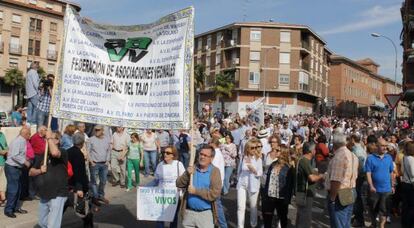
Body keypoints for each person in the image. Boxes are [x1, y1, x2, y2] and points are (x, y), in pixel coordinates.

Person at [176, 145, 222, 228]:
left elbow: (214, 194)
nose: (202, 157)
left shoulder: (215, 172)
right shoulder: (192, 167)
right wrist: (187, 174)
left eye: (205, 155)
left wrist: (196, 191)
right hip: (188, 213)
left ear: (211, 158)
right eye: (201, 154)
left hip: (205, 215)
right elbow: (179, 184)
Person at [29, 130, 68, 228]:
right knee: (42, 223)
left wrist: (49, 137)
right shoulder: (44, 154)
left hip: (58, 193)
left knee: (52, 225)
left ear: (57, 141)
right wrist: (40, 171)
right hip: (44, 194)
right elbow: (31, 172)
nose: (47, 140)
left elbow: (55, 152)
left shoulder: (62, 151)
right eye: (46, 139)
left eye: (50, 138)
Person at [326, 133, 358, 228]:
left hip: (341, 193)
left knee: (338, 223)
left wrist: (332, 199)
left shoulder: (339, 156)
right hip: (351, 189)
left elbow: (336, 180)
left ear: (334, 143)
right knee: (346, 222)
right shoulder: (352, 155)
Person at [262, 144, 294, 228]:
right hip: (270, 197)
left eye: (277, 150)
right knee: (267, 220)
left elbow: (290, 186)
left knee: (283, 220)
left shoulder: (289, 168)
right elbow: (268, 181)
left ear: (283, 153)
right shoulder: (272, 165)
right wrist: (265, 195)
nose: (275, 151)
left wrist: (287, 200)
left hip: (281, 198)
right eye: (275, 150)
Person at [67, 132, 95, 227]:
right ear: (82, 142)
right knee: (84, 208)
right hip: (77, 185)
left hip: (69, 184)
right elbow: (79, 172)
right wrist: (79, 188)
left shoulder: (68, 151)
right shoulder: (78, 154)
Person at [365, 138, 394, 228]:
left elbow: (391, 172)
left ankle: (381, 226)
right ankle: (374, 224)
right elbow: (368, 173)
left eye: (386, 146)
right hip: (375, 190)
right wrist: (371, 186)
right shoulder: (370, 158)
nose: (385, 147)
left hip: (386, 189)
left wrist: (392, 185)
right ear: (377, 146)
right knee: (373, 209)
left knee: (384, 210)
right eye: (382, 146)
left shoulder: (389, 157)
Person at [153, 146, 185, 228]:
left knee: (173, 217)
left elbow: (184, 180)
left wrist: (181, 187)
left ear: (173, 155)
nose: (165, 154)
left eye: (168, 153)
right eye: (164, 152)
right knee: (159, 216)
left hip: (175, 196)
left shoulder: (178, 164)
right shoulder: (160, 165)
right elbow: (156, 180)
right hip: (161, 195)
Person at [295, 142, 324, 228]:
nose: (316, 151)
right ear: (310, 151)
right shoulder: (304, 161)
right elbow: (312, 178)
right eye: (314, 149)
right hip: (305, 193)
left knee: (302, 216)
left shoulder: (305, 161)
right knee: (305, 217)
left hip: (305, 192)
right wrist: (321, 176)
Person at [4, 127, 31, 218]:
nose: (30, 135)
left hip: (16, 167)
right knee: (13, 189)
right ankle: (8, 210)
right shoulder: (18, 141)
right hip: (12, 167)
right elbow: (15, 155)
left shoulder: (22, 140)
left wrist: (24, 159)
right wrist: (25, 161)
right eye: (29, 134)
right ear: (25, 134)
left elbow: (18, 154)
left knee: (18, 189)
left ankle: (15, 207)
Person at [236, 139, 263, 228]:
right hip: (242, 184)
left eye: (255, 147)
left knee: (253, 207)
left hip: (253, 185)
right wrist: (237, 179)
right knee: (240, 207)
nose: (254, 149)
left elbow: (260, 173)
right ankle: (240, 226)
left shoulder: (258, 158)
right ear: (247, 148)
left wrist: (254, 171)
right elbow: (240, 170)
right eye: (252, 148)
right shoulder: (243, 157)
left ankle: (253, 224)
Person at [88, 125, 111, 205]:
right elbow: (88, 152)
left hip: (104, 164)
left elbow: (108, 150)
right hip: (95, 163)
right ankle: (95, 197)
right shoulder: (91, 139)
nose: (96, 131)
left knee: (103, 181)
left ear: (102, 130)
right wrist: (91, 162)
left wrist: (107, 160)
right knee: (93, 182)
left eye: (98, 130)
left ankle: (101, 195)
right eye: (95, 130)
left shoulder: (107, 139)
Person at [210, 138, 227, 228]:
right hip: (217, 181)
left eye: (210, 142)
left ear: (213, 143)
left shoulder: (216, 154)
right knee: (215, 204)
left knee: (217, 204)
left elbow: (213, 168)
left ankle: (223, 225)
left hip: (215, 182)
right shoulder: (217, 153)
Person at [401, 141, 414, 228]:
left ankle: (405, 224)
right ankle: (409, 224)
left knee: (406, 206)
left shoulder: (404, 157)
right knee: (411, 207)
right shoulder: (411, 159)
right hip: (410, 184)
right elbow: (413, 173)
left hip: (405, 183)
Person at [0, 126, 8, 206]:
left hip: (3, 162)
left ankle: (3, 198)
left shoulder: (2, 135)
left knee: (3, 181)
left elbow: (6, 146)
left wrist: (6, 151)